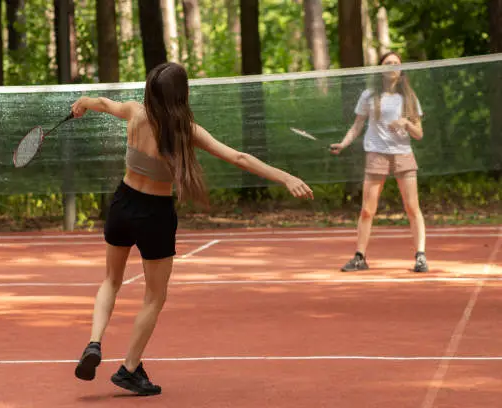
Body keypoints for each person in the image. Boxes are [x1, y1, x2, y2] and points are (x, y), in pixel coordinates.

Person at [70, 62, 314, 396]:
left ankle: (94, 342)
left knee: (111, 280)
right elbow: (239, 158)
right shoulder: (187, 131)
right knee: (154, 296)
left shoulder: (135, 113)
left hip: (122, 204)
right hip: (155, 214)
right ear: (181, 95)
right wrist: (285, 176)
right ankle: (128, 368)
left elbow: (103, 103)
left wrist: (83, 99)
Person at [330, 51, 429, 273]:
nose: (392, 66)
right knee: (367, 209)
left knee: (412, 208)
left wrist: (405, 123)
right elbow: (357, 126)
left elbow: (419, 134)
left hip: (403, 155)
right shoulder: (369, 96)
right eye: (388, 63)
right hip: (376, 154)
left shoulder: (409, 98)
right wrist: (343, 144)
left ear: (401, 70)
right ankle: (360, 257)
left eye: (396, 63)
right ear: (381, 69)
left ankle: (420, 256)